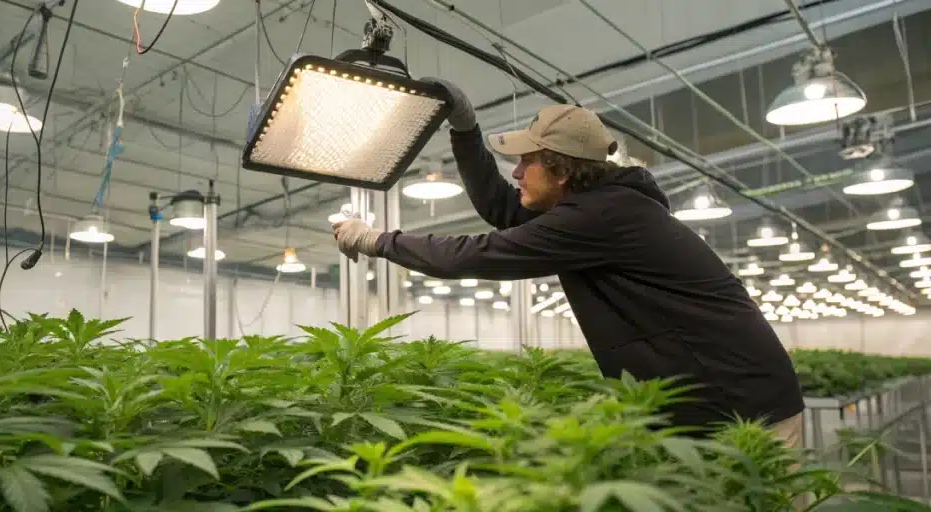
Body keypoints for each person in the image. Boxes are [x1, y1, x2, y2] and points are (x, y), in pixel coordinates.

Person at [332, 77, 804, 443]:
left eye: (527, 162)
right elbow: (502, 208)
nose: (515, 171)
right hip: (708, 404)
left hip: (745, 409)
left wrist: (378, 241)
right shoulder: (594, 209)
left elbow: (482, 253)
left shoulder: (604, 217)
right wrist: (464, 128)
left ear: (560, 169)